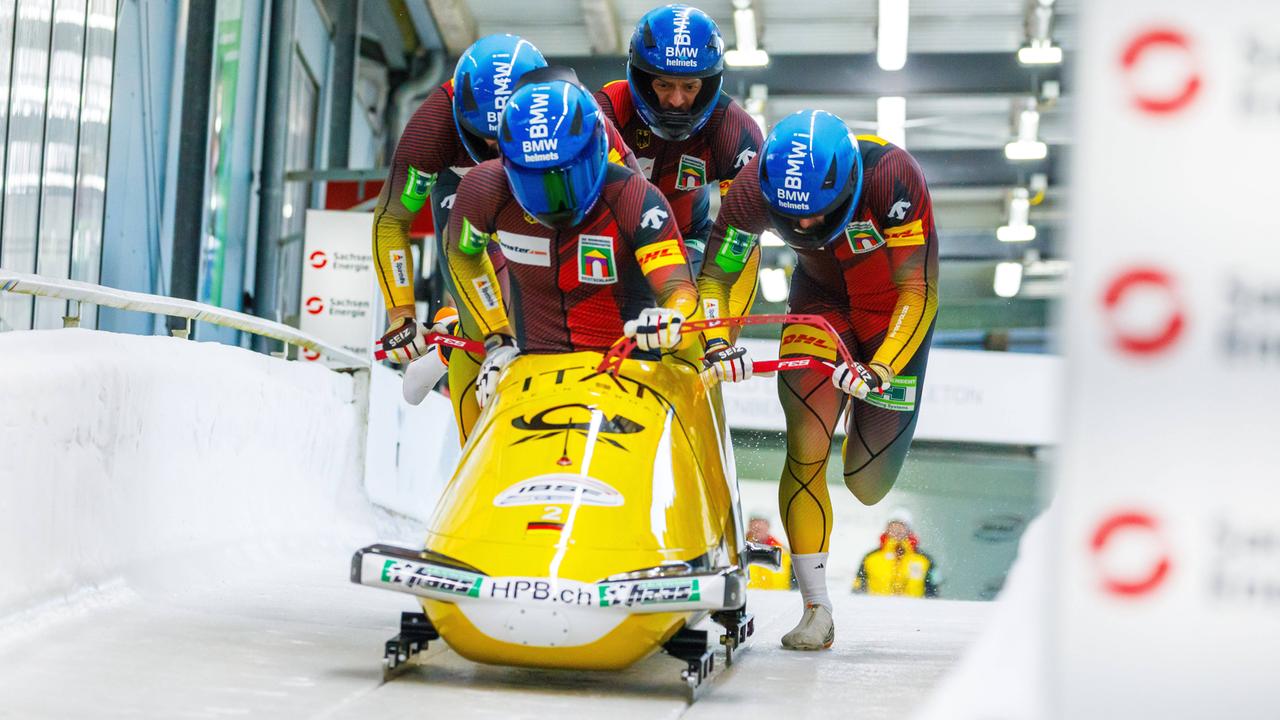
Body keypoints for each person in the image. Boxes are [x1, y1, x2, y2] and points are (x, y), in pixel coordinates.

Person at [698, 110, 939, 649]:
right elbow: (717, 276)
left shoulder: (890, 177)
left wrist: (883, 366)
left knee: (866, 483)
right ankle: (816, 607)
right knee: (805, 443)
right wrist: (717, 340)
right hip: (820, 308)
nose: (804, 227)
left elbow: (917, 289)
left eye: (816, 214)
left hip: (893, 317)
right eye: (792, 217)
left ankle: (867, 410)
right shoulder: (751, 189)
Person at [372, 37, 640, 442]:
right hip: (468, 196)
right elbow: (393, 219)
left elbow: (631, 200)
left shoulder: (574, 114)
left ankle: (452, 340)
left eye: (504, 134)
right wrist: (401, 314)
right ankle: (472, 433)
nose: (495, 148)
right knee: (490, 321)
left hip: (546, 190)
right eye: (484, 137)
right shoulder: (433, 127)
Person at [441, 70, 699, 405]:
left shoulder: (633, 197)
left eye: (564, 176)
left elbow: (677, 287)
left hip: (627, 375)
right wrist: (497, 339)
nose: (551, 197)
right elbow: (462, 254)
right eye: (533, 179)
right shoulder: (483, 190)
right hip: (534, 374)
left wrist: (673, 315)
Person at [594, 4, 762, 357]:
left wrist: (721, 337)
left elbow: (743, 238)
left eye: (689, 86)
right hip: (616, 242)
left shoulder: (735, 131)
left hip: (690, 241)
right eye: (662, 84)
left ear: (709, 83)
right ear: (641, 78)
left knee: (690, 346)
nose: (676, 100)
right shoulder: (602, 114)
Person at [852, 509, 939, 598]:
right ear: (887, 528)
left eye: (901, 526)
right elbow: (858, 589)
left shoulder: (924, 560)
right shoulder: (871, 557)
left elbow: (933, 592)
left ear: (909, 530)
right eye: (893, 525)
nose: (897, 530)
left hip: (912, 610)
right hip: (877, 609)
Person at [746, 515, 793, 591]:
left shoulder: (783, 552)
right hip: (749, 598)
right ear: (749, 526)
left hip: (778, 598)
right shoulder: (739, 550)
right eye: (755, 528)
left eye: (760, 529)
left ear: (767, 527)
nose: (757, 531)